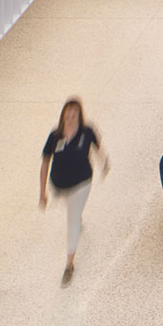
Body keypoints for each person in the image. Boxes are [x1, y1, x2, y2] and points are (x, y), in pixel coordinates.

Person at [40, 98, 109, 285]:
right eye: (67, 115)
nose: (70, 119)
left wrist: (105, 162)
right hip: (60, 186)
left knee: (72, 222)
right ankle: (77, 217)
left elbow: (98, 147)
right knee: (72, 211)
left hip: (82, 183)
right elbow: (45, 163)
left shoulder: (87, 132)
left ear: (80, 116)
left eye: (74, 116)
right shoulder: (55, 137)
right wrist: (42, 192)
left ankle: (69, 264)